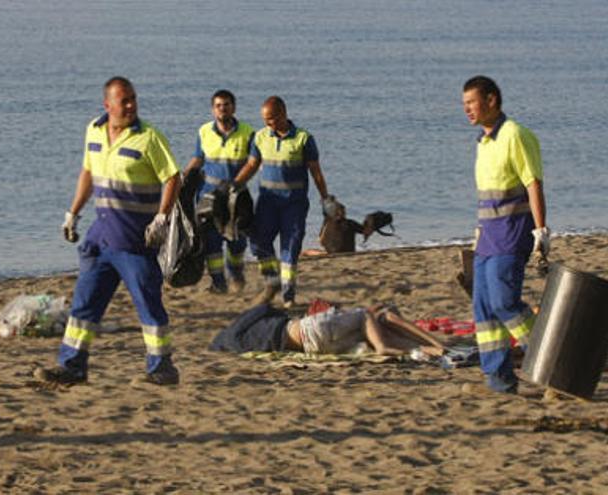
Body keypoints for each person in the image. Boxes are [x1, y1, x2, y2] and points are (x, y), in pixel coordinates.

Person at [36, 76, 181, 386]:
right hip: (100, 238)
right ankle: (72, 366)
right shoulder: (94, 131)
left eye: (133, 99)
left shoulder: (149, 137)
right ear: (108, 105)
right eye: (123, 100)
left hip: (134, 241)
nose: (130, 105)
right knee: (84, 304)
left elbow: (172, 177)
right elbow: (87, 172)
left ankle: (162, 367)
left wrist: (161, 219)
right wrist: (72, 214)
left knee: (148, 304)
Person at [462, 75, 548, 393]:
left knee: (504, 302)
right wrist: (478, 232)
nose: (467, 110)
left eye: (472, 102)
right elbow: (489, 196)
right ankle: (499, 378)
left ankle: (549, 359)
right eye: (465, 104)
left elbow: (533, 183)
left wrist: (541, 231)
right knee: (483, 308)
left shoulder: (515, 135)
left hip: (513, 235)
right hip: (488, 236)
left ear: (492, 100)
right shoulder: (483, 143)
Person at [233, 96, 336, 308]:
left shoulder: (303, 139)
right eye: (265, 119)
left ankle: (288, 296)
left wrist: (325, 198)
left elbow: (315, 172)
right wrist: (233, 185)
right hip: (267, 202)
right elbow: (252, 165)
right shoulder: (260, 137)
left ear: (283, 114)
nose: (267, 123)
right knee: (259, 242)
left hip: (294, 205)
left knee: (290, 248)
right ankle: (272, 280)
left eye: (271, 118)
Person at [182, 89, 255, 294]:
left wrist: (238, 182)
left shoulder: (248, 133)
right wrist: (184, 175)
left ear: (234, 107)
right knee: (211, 243)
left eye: (226, 105)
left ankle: (236, 272)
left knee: (237, 242)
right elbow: (198, 158)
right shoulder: (204, 131)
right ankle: (218, 283)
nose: (222, 109)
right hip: (208, 196)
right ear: (213, 109)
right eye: (218, 105)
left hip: (236, 197)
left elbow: (253, 163)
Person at [209, 301, 445, 357]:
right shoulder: (237, 329)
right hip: (307, 330)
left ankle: (430, 350)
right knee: (367, 314)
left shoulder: (239, 346)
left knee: (372, 330)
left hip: (314, 348)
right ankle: (438, 345)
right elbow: (264, 309)